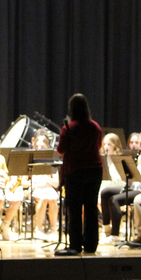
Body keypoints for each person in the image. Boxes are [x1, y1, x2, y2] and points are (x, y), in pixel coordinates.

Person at [56, 93, 104, 255]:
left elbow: (61, 150)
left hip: (75, 171)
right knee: (91, 208)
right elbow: (97, 146)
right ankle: (91, 245)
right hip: (95, 170)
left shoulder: (69, 128)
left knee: (75, 209)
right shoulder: (95, 126)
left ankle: (75, 245)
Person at [100, 130, 141, 242]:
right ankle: (107, 230)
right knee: (105, 192)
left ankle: (115, 235)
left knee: (114, 199)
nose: (138, 147)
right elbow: (136, 178)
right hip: (136, 188)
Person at [31, 130, 59, 238]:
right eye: (37, 146)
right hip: (36, 188)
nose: (39, 149)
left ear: (47, 147)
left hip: (48, 187)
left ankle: (53, 230)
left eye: (42, 147)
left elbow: (56, 183)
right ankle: (39, 229)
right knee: (43, 199)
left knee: (52, 199)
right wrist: (30, 182)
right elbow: (24, 182)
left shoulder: (51, 162)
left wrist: (45, 177)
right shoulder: (31, 160)